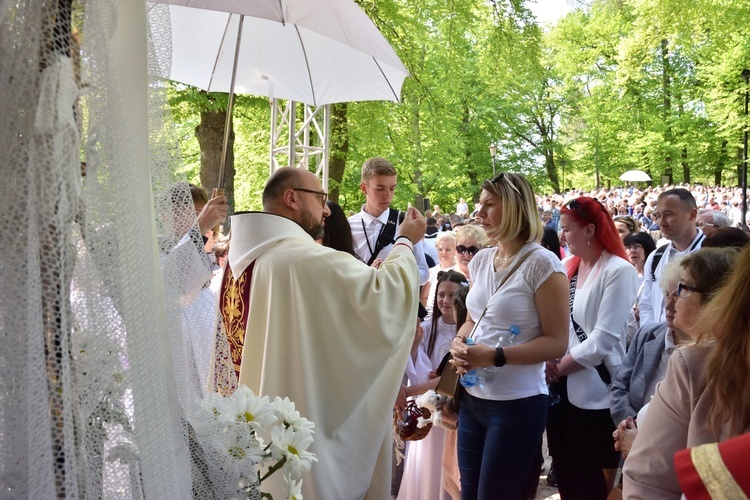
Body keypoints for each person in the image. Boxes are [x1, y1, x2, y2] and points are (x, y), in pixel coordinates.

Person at [226, 167, 426, 499]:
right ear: (292, 198)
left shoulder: (241, 264)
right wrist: (404, 240)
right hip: (297, 423)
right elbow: (383, 294)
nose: (327, 209)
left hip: (254, 422)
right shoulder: (302, 258)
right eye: (320, 198)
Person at [449, 172, 569, 499]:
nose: (479, 213)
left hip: (517, 405)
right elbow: (475, 317)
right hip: (473, 400)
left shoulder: (543, 265)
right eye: (479, 205)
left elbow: (558, 341)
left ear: (515, 208)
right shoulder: (482, 260)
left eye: (490, 205)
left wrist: (495, 356)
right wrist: (459, 343)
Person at [623, 247, 742, 499]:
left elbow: (649, 478)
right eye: (669, 293)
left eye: (682, 289)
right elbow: (622, 383)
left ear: (718, 298)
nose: (671, 301)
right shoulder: (652, 337)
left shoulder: (694, 362)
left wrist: (640, 444)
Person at [546, 196, 638, 500]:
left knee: (594, 485)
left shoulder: (618, 270)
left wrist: (557, 367)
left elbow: (604, 339)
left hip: (596, 396)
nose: (562, 236)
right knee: (567, 477)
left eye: (569, 229)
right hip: (560, 395)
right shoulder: (565, 266)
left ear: (590, 230)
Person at [398, 270, 467, 500]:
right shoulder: (427, 328)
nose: (445, 301)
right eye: (441, 294)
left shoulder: (465, 332)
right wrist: (415, 347)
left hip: (451, 409)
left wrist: (418, 388)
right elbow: (414, 369)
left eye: (452, 296)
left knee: (447, 469)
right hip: (426, 411)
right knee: (425, 464)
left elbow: (449, 376)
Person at [348, 157, 430, 284]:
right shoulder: (348, 226)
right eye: (380, 189)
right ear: (364, 188)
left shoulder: (406, 222)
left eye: (392, 188)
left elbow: (423, 273)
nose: (388, 195)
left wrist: (389, 277)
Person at [638, 188, 704, 326]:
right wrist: (650, 334)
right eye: (658, 215)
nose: (661, 222)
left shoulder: (710, 256)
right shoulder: (656, 257)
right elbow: (646, 304)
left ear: (692, 214)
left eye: (669, 214)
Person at [422, 231, 458, 317]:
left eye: (448, 249)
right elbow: (424, 297)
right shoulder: (431, 272)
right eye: (440, 249)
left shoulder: (459, 271)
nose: (444, 252)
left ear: (455, 250)